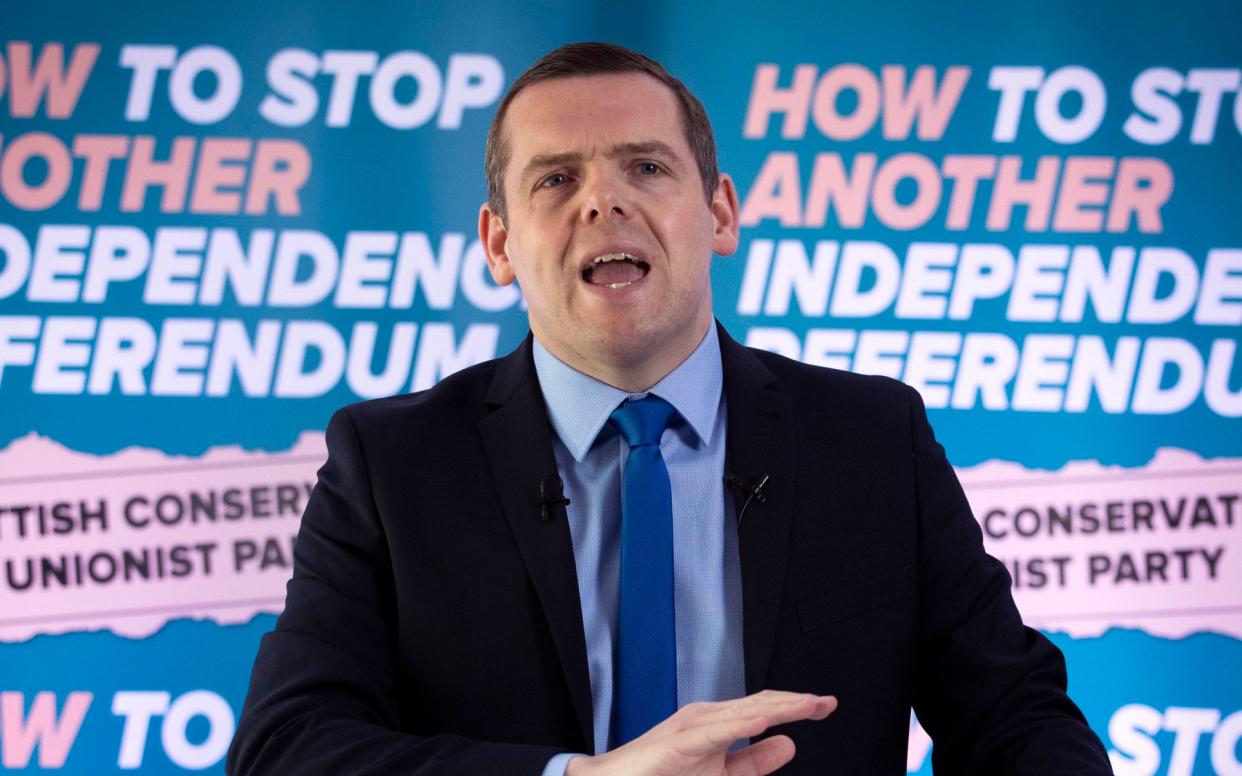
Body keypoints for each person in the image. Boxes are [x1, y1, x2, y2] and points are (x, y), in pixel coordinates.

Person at [228, 42, 1111, 775]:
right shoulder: (392, 462)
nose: (603, 201)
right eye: (554, 180)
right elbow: (287, 749)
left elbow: (1017, 720)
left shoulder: (871, 438)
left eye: (646, 167)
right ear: (499, 244)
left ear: (719, 212)